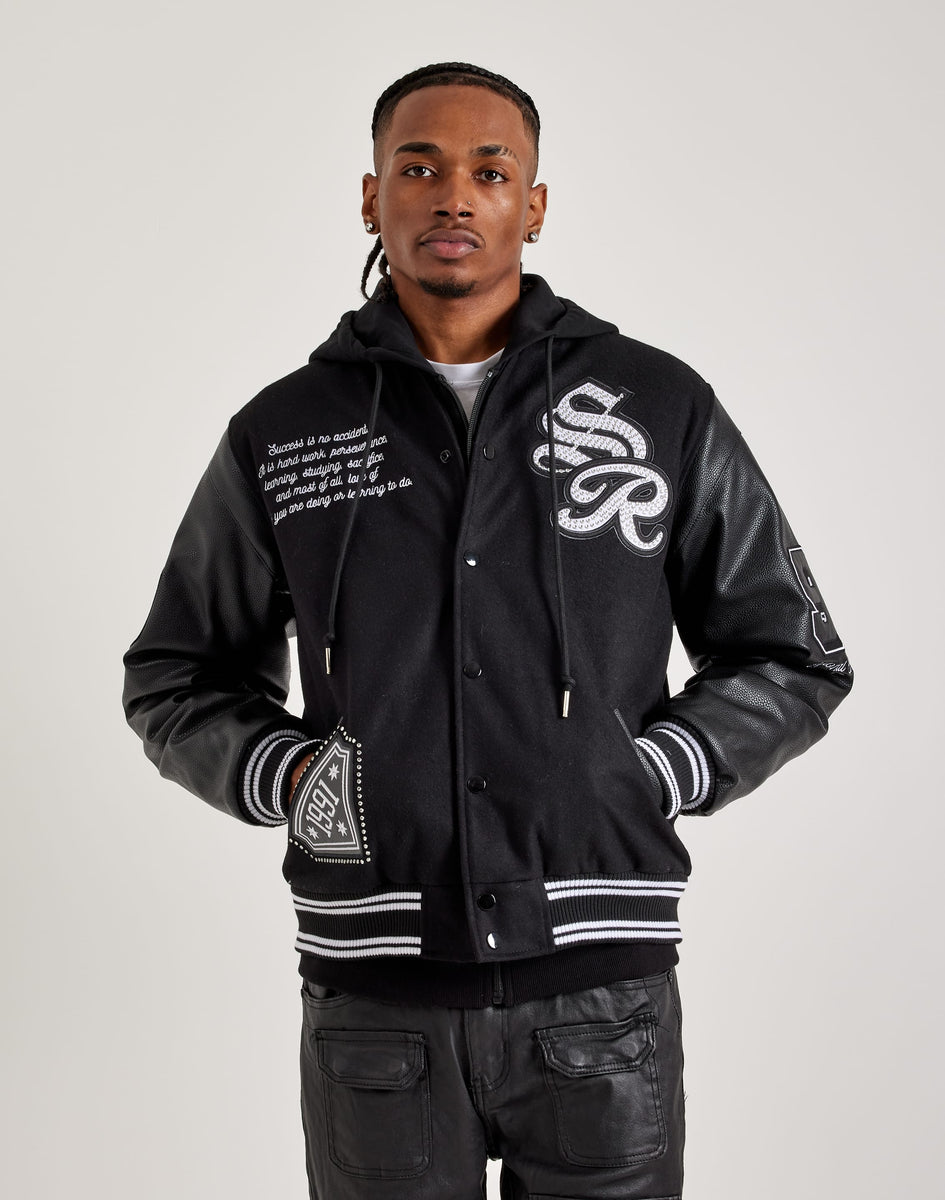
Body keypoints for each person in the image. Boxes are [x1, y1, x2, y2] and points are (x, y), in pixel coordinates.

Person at [123, 62, 853, 1200]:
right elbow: (175, 675)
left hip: (601, 998)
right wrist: (298, 781)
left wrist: (641, 772)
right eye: (418, 168)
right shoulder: (287, 428)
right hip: (377, 1005)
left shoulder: (655, 406)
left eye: (490, 170)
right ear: (371, 197)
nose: (453, 194)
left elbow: (794, 653)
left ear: (534, 204)